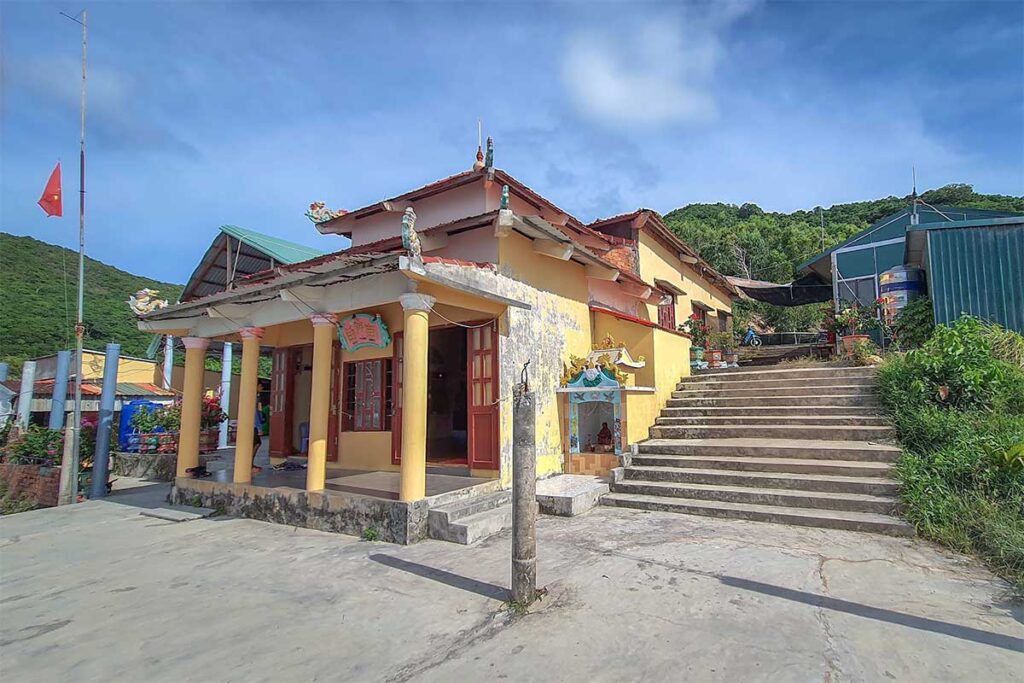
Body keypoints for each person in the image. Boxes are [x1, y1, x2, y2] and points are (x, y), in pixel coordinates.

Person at [252, 400, 264, 473]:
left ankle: (251, 464)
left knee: (257, 444)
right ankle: (250, 465)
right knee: (255, 445)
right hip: (254, 428)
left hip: (254, 427)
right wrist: (259, 429)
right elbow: (256, 417)